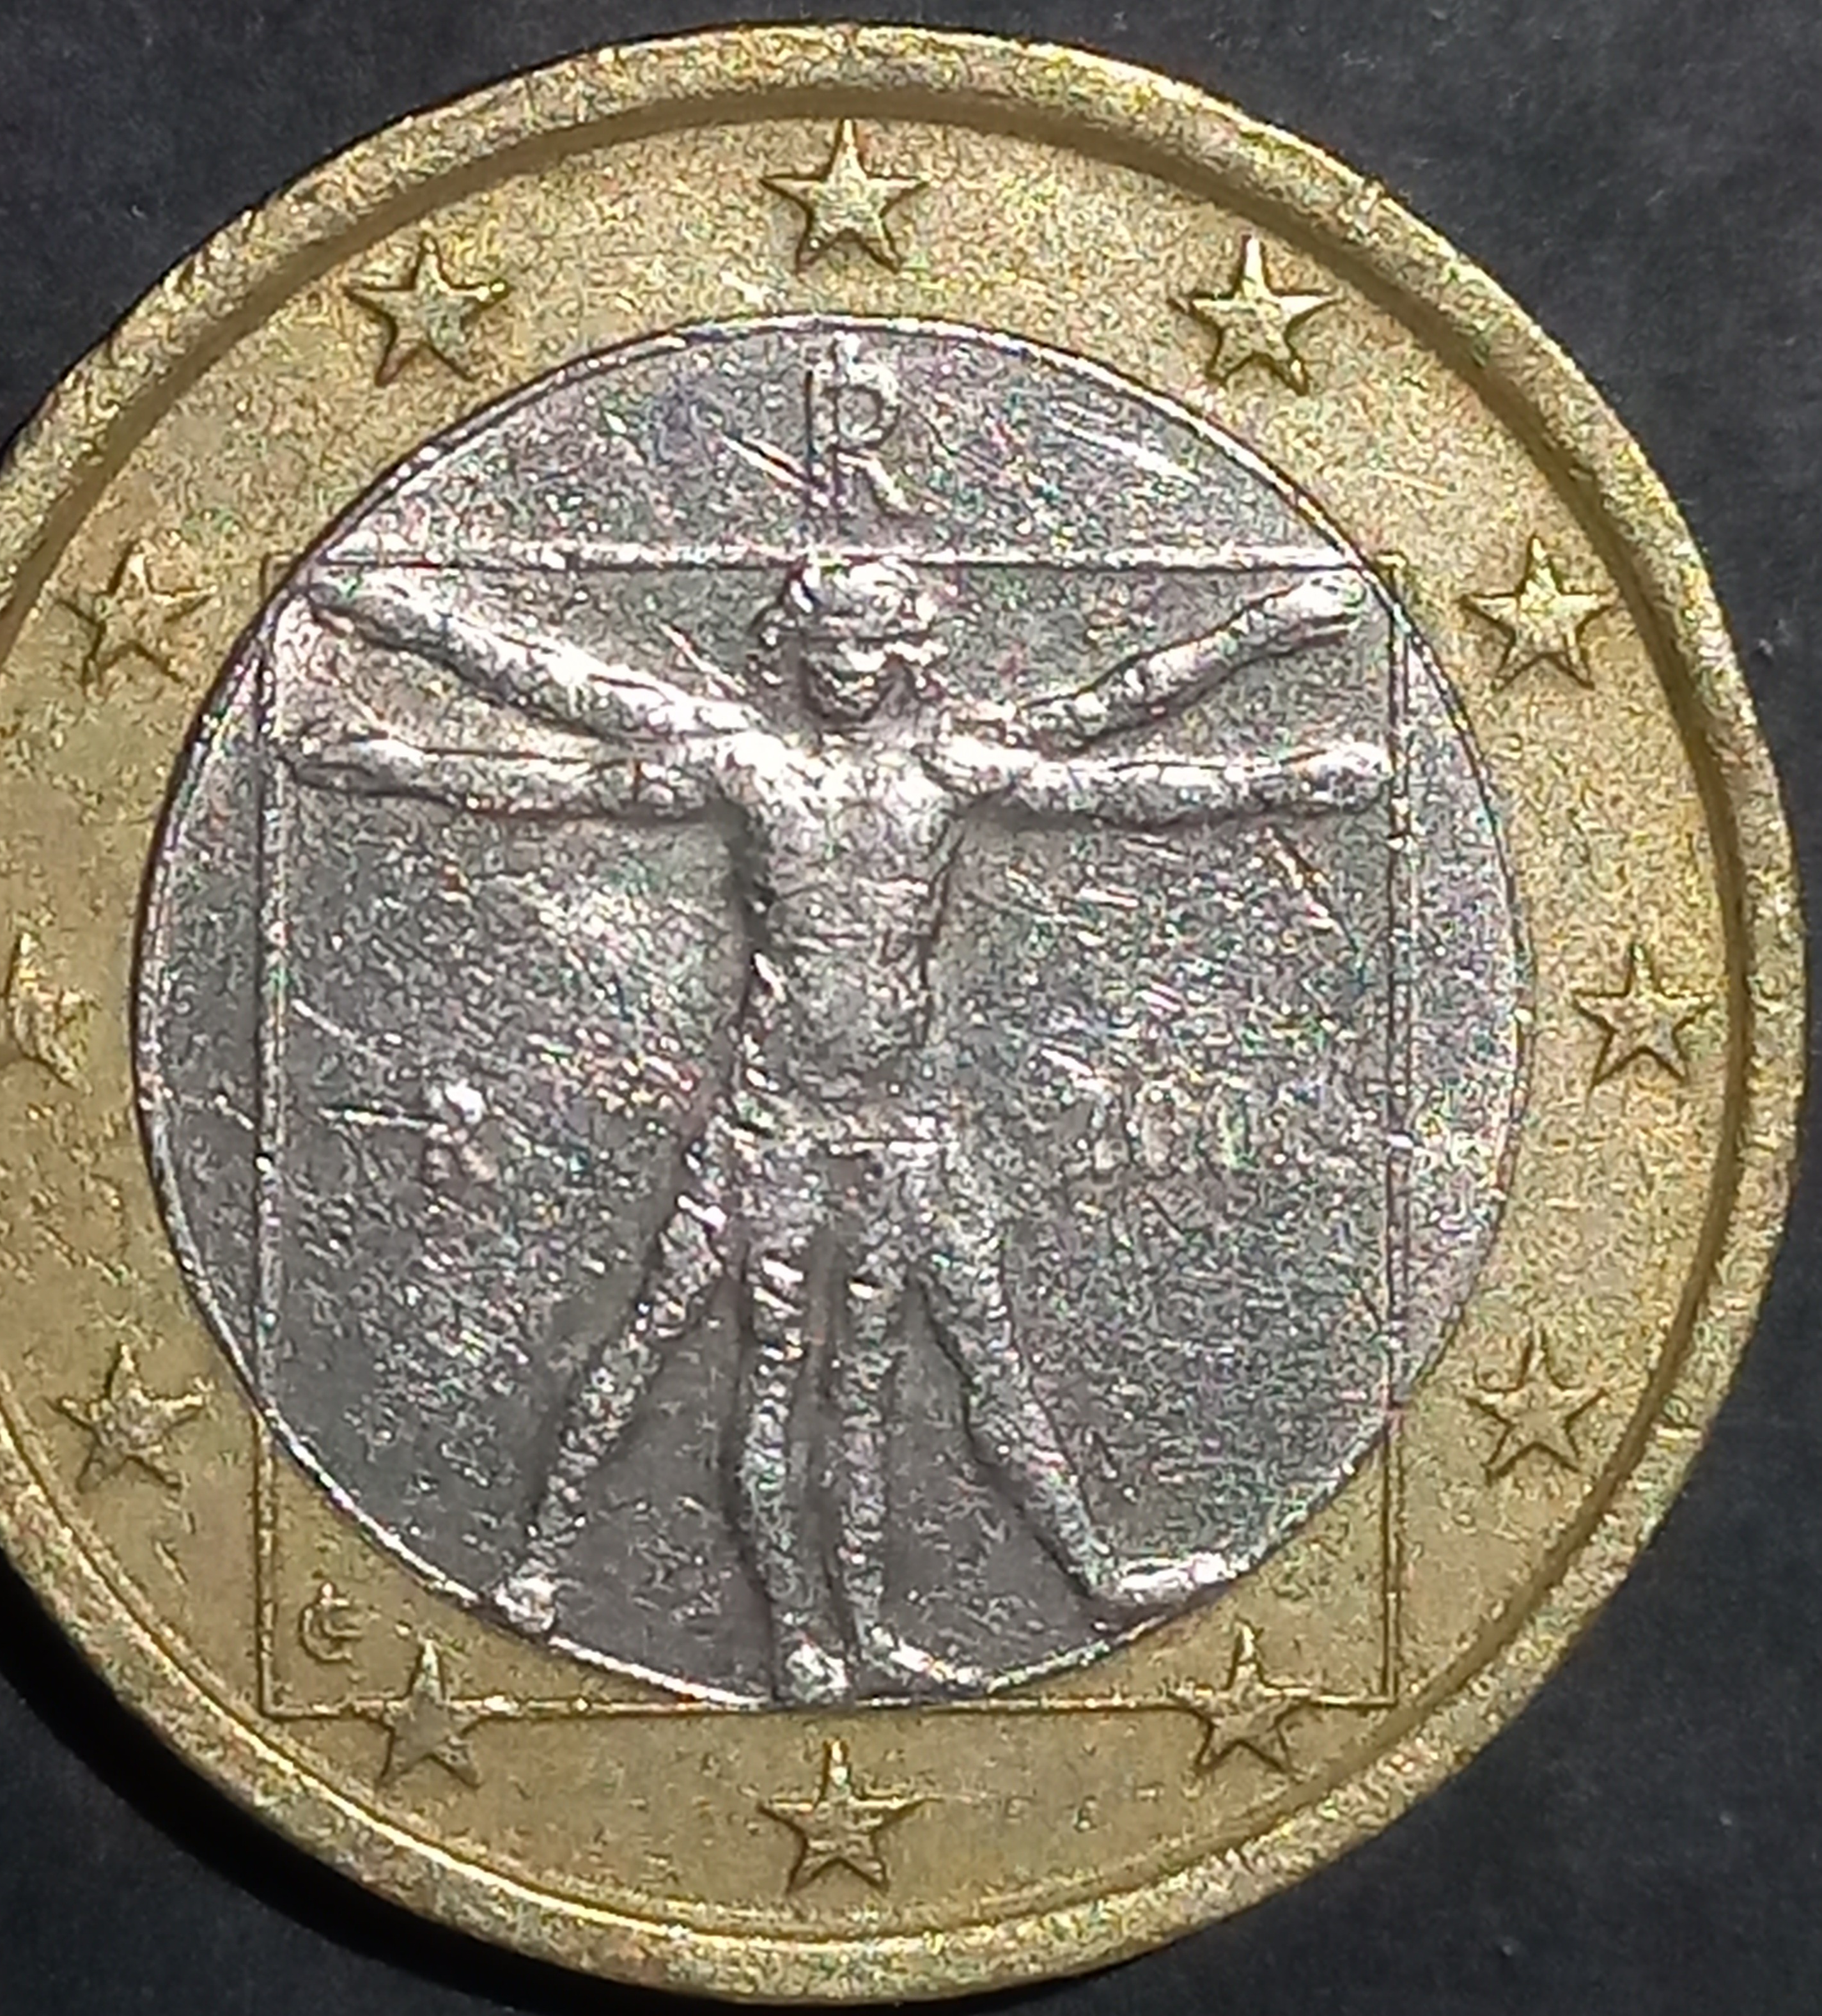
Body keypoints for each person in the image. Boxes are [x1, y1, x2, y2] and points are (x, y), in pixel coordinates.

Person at [288, 549, 1382, 1702]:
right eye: (827, 650)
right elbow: (565, 716)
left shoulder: (950, 767)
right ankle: (628, 1590)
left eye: (868, 649)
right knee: (724, 1361)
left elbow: (1108, 744)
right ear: (793, 654)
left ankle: (1050, 1588)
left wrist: (1277, 703)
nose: (847, 671)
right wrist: (393, 696)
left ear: (905, 657)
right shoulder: (746, 764)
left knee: (937, 1367)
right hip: (775, 1124)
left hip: (901, 1129)